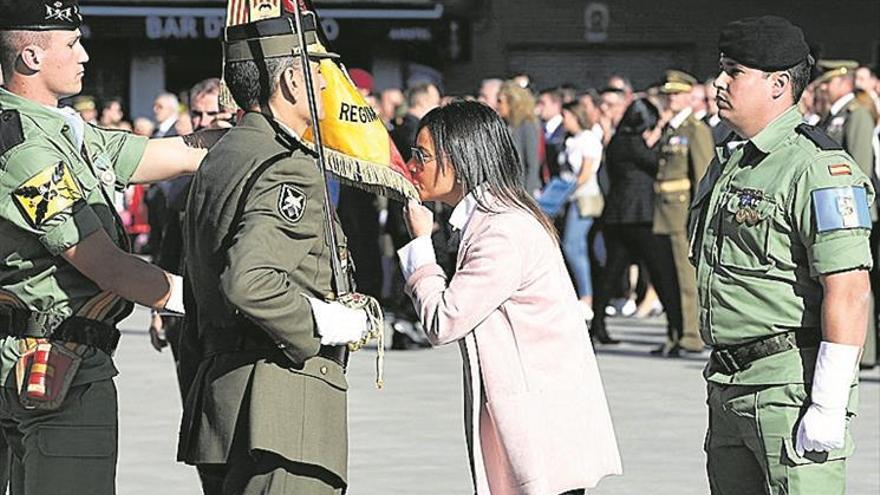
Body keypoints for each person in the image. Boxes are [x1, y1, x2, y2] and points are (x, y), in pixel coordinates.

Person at [0, 1, 213, 493]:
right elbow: (105, 266)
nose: (85, 56)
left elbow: (173, 153)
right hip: (55, 368)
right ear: (30, 58)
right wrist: (214, 302)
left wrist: (260, 136)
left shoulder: (60, 130)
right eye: (72, 44)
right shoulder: (26, 149)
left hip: (50, 361)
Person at [178, 14, 375, 495]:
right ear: (291, 79)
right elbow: (249, 282)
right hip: (283, 414)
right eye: (321, 70)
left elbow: (196, 299)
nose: (331, 84)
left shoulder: (221, 157)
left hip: (226, 404)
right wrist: (324, 324)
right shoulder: (290, 165)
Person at [399, 100, 621, 495]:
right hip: (539, 414)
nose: (413, 166)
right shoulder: (496, 216)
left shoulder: (500, 231)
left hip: (541, 423)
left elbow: (444, 320)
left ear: (461, 159)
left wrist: (419, 244)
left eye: (423, 155)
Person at [690, 16, 872, 494]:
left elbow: (849, 290)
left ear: (777, 84)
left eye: (734, 71)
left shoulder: (819, 167)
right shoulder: (731, 159)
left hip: (788, 389)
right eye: (721, 69)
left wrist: (828, 405)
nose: (719, 82)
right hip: (728, 382)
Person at [148, 78, 233, 379]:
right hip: (187, 314)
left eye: (213, 114)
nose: (203, 122)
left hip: (232, 317)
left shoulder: (249, 172)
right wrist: (159, 309)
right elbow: (168, 250)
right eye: (197, 114)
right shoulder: (182, 181)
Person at [591, 98, 682, 345]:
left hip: (617, 217)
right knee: (663, 272)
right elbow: (656, 163)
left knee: (611, 273)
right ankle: (677, 328)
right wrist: (659, 138)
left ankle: (597, 324)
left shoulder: (616, 142)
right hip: (640, 216)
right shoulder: (631, 143)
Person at [651, 69, 713, 356]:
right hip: (663, 210)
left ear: (690, 96)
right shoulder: (670, 128)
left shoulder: (695, 129)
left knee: (684, 277)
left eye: (676, 93)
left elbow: (702, 175)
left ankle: (691, 334)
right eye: (668, 94)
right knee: (667, 276)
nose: (671, 98)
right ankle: (674, 331)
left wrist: (697, 215)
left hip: (680, 210)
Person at [558, 101, 603, 321]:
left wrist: (563, 192)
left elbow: (585, 173)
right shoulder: (571, 141)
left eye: (566, 116)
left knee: (573, 245)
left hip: (584, 197)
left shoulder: (588, 140)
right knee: (577, 246)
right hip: (572, 197)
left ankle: (587, 296)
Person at [498, 80, 542, 195]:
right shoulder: (505, 126)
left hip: (524, 190)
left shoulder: (526, 125)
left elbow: (532, 163)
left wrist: (527, 194)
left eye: (500, 101)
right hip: (508, 190)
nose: (497, 105)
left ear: (512, 103)